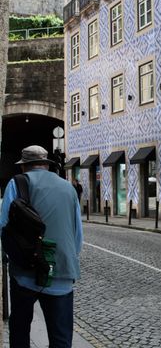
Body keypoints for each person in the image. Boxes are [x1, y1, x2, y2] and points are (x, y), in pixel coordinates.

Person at [0, 145, 83, 348]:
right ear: (46, 165)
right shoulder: (68, 188)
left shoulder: (17, 183)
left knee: (20, 332)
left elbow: (4, 227)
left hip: (24, 274)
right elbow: (77, 236)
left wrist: (9, 259)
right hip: (61, 273)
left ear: (23, 167)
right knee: (61, 338)